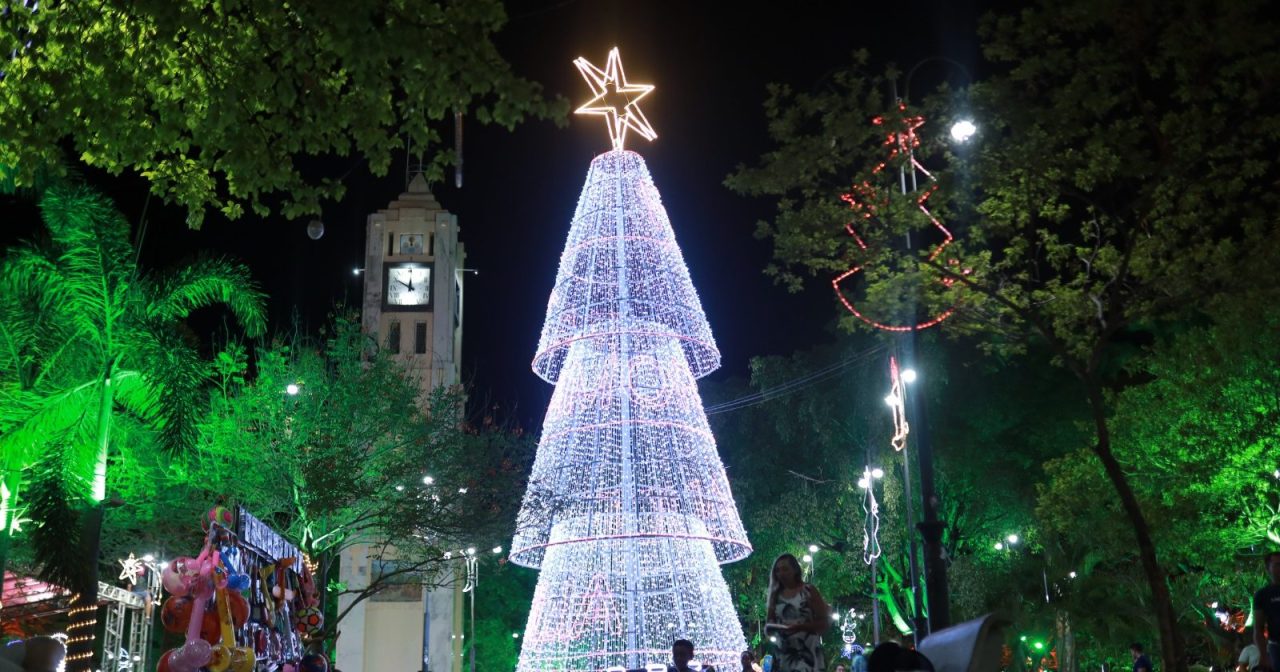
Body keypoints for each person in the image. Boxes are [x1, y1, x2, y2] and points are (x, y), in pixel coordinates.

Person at [765, 553, 830, 672]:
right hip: (784, 654)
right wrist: (774, 628)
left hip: (808, 653)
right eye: (778, 570)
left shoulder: (808, 590)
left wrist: (800, 627)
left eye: (785, 569)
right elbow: (769, 624)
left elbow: (824, 623)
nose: (781, 573)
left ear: (795, 570)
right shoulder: (775, 596)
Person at [1254, 552, 1280, 671]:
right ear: (1268, 569)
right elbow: (1258, 628)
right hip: (1276, 647)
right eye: (1277, 565)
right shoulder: (1262, 595)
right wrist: (1263, 656)